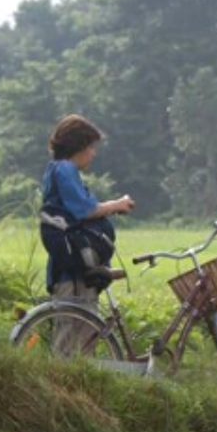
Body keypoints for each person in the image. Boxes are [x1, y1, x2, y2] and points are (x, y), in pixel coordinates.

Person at [39, 114, 136, 305]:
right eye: (91, 147)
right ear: (78, 146)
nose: (93, 154)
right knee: (77, 321)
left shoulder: (55, 169)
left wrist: (113, 207)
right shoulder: (65, 169)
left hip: (66, 271)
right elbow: (86, 210)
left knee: (81, 321)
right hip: (72, 277)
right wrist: (117, 204)